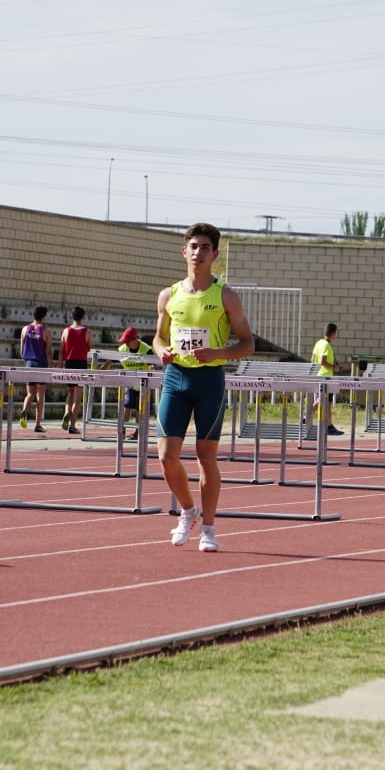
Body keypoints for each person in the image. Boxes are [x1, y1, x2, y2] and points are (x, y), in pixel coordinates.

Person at [153, 222, 255, 553]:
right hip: (176, 378)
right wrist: (161, 352)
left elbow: (248, 344)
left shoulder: (225, 295)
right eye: (193, 247)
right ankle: (188, 512)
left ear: (215, 255)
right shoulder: (169, 295)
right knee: (167, 457)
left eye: (205, 248)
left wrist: (218, 354)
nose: (198, 253)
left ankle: (208, 529)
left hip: (209, 380)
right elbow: (158, 336)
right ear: (184, 251)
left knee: (205, 456)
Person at [103, 326, 154, 441]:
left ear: (135, 339)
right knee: (126, 406)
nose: (125, 343)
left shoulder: (146, 349)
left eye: (128, 341)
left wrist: (152, 369)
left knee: (140, 408)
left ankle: (137, 432)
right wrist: (102, 369)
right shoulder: (122, 349)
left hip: (144, 383)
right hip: (130, 382)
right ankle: (122, 431)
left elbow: (152, 365)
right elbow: (111, 360)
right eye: (124, 341)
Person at [18, 306, 51, 433]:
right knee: (40, 395)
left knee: (30, 393)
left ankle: (24, 411)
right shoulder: (46, 331)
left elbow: (21, 349)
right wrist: (50, 366)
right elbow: (48, 351)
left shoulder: (25, 329)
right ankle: (37, 424)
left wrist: (27, 360)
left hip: (29, 363)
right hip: (41, 363)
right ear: (43, 316)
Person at [60, 306, 91, 434]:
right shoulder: (87, 332)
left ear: (72, 317)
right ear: (83, 317)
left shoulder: (66, 331)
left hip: (69, 363)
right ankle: (72, 425)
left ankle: (67, 411)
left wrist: (60, 365)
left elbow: (61, 350)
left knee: (70, 392)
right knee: (78, 398)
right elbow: (89, 348)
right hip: (81, 364)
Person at [311, 322, 343, 435]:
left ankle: (306, 418)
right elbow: (322, 362)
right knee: (327, 403)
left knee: (321, 400)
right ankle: (329, 426)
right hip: (326, 377)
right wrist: (335, 367)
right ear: (333, 333)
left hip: (318, 375)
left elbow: (313, 359)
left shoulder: (319, 343)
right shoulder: (326, 345)